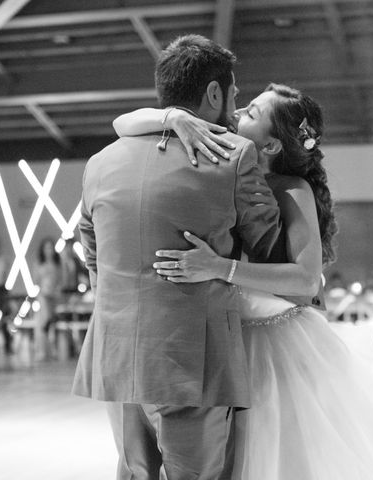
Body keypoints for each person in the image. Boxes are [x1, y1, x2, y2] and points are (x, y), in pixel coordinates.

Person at [115, 84, 373, 478]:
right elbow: (122, 124)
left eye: (251, 113)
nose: (236, 114)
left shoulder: (291, 189)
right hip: (223, 337)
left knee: (277, 456)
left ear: (270, 147)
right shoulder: (218, 163)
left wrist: (219, 267)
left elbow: (306, 280)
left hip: (273, 344)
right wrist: (172, 116)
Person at [72, 34, 284, 479]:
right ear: (213, 93)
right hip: (194, 358)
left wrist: (108, 284)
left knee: (135, 472)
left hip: (119, 354)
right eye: (235, 95)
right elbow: (269, 247)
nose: (237, 105)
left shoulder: (100, 162)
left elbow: (89, 240)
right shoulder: (233, 156)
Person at [32, 237, 62, 360]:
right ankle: (42, 350)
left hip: (54, 296)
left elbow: (60, 279)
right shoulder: (39, 264)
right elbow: (36, 280)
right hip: (43, 295)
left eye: (51, 248)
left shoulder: (57, 265)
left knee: (51, 323)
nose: (49, 250)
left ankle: (51, 349)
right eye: (47, 248)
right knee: (45, 320)